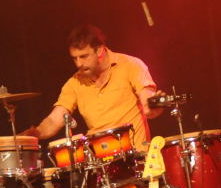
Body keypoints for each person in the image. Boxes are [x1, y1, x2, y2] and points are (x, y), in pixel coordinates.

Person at [24, 24, 162, 149]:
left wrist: (151, 107)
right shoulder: (75, 82)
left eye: (84, 56)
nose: (79, 64)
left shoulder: (131, 65)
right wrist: (36, 133)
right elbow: (55, 119)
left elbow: (147, 98)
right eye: (74, 58)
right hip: (99, 160)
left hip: (136, 156)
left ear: (100, 50)